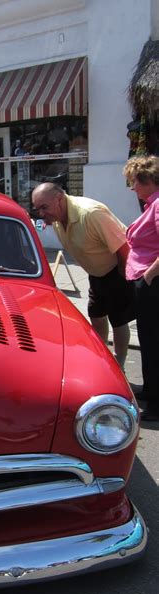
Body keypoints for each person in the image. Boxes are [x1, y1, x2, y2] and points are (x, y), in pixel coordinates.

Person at [32, 182, 135, 369]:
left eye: (44, 207)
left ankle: (119, 364)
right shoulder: (56, 219)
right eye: (37, 209)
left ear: (59, 199)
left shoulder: (91, 214)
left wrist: (122, 277)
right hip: (96, 274)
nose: (41, 213)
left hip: (116, 271)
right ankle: (101, 357)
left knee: (118, 319)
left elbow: (124, 247)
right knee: (96, 315)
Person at [123, 155, 159, 421]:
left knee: (152, 342)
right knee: (148, 340)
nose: (132, 187)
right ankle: (150, 390)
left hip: (152, 283)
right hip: (147, 281)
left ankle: (157, 405)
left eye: (134, 181)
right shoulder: (151, 204)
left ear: (147, 180)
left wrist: (148, 275)